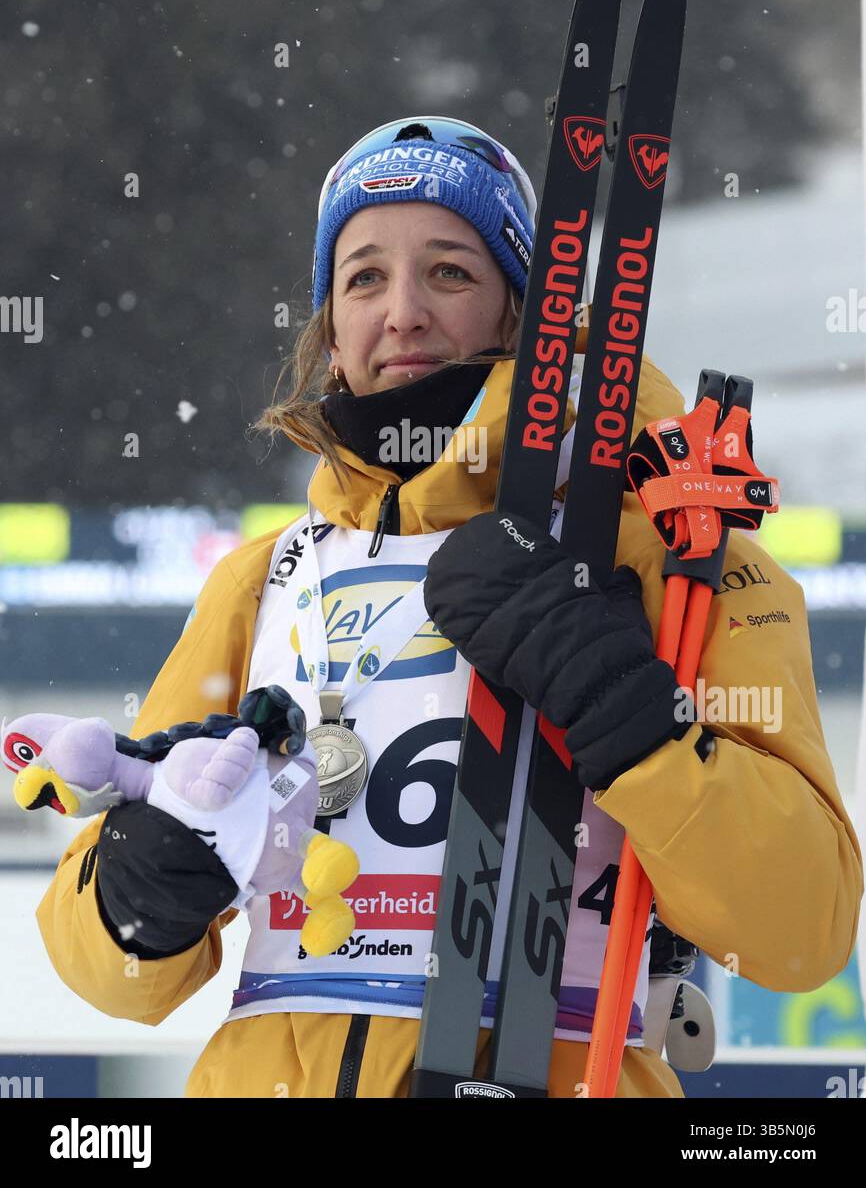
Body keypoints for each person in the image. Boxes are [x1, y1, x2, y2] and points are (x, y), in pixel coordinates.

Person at [35, 117, 862, 1098]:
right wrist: (140, 886)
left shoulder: (669, 555)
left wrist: (633, 724)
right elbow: (112, 976)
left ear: (524, 319)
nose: (404, 313)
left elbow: (799, 929)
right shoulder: (264, 579)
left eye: (450, 273)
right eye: (363, 278)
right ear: (330, 334)